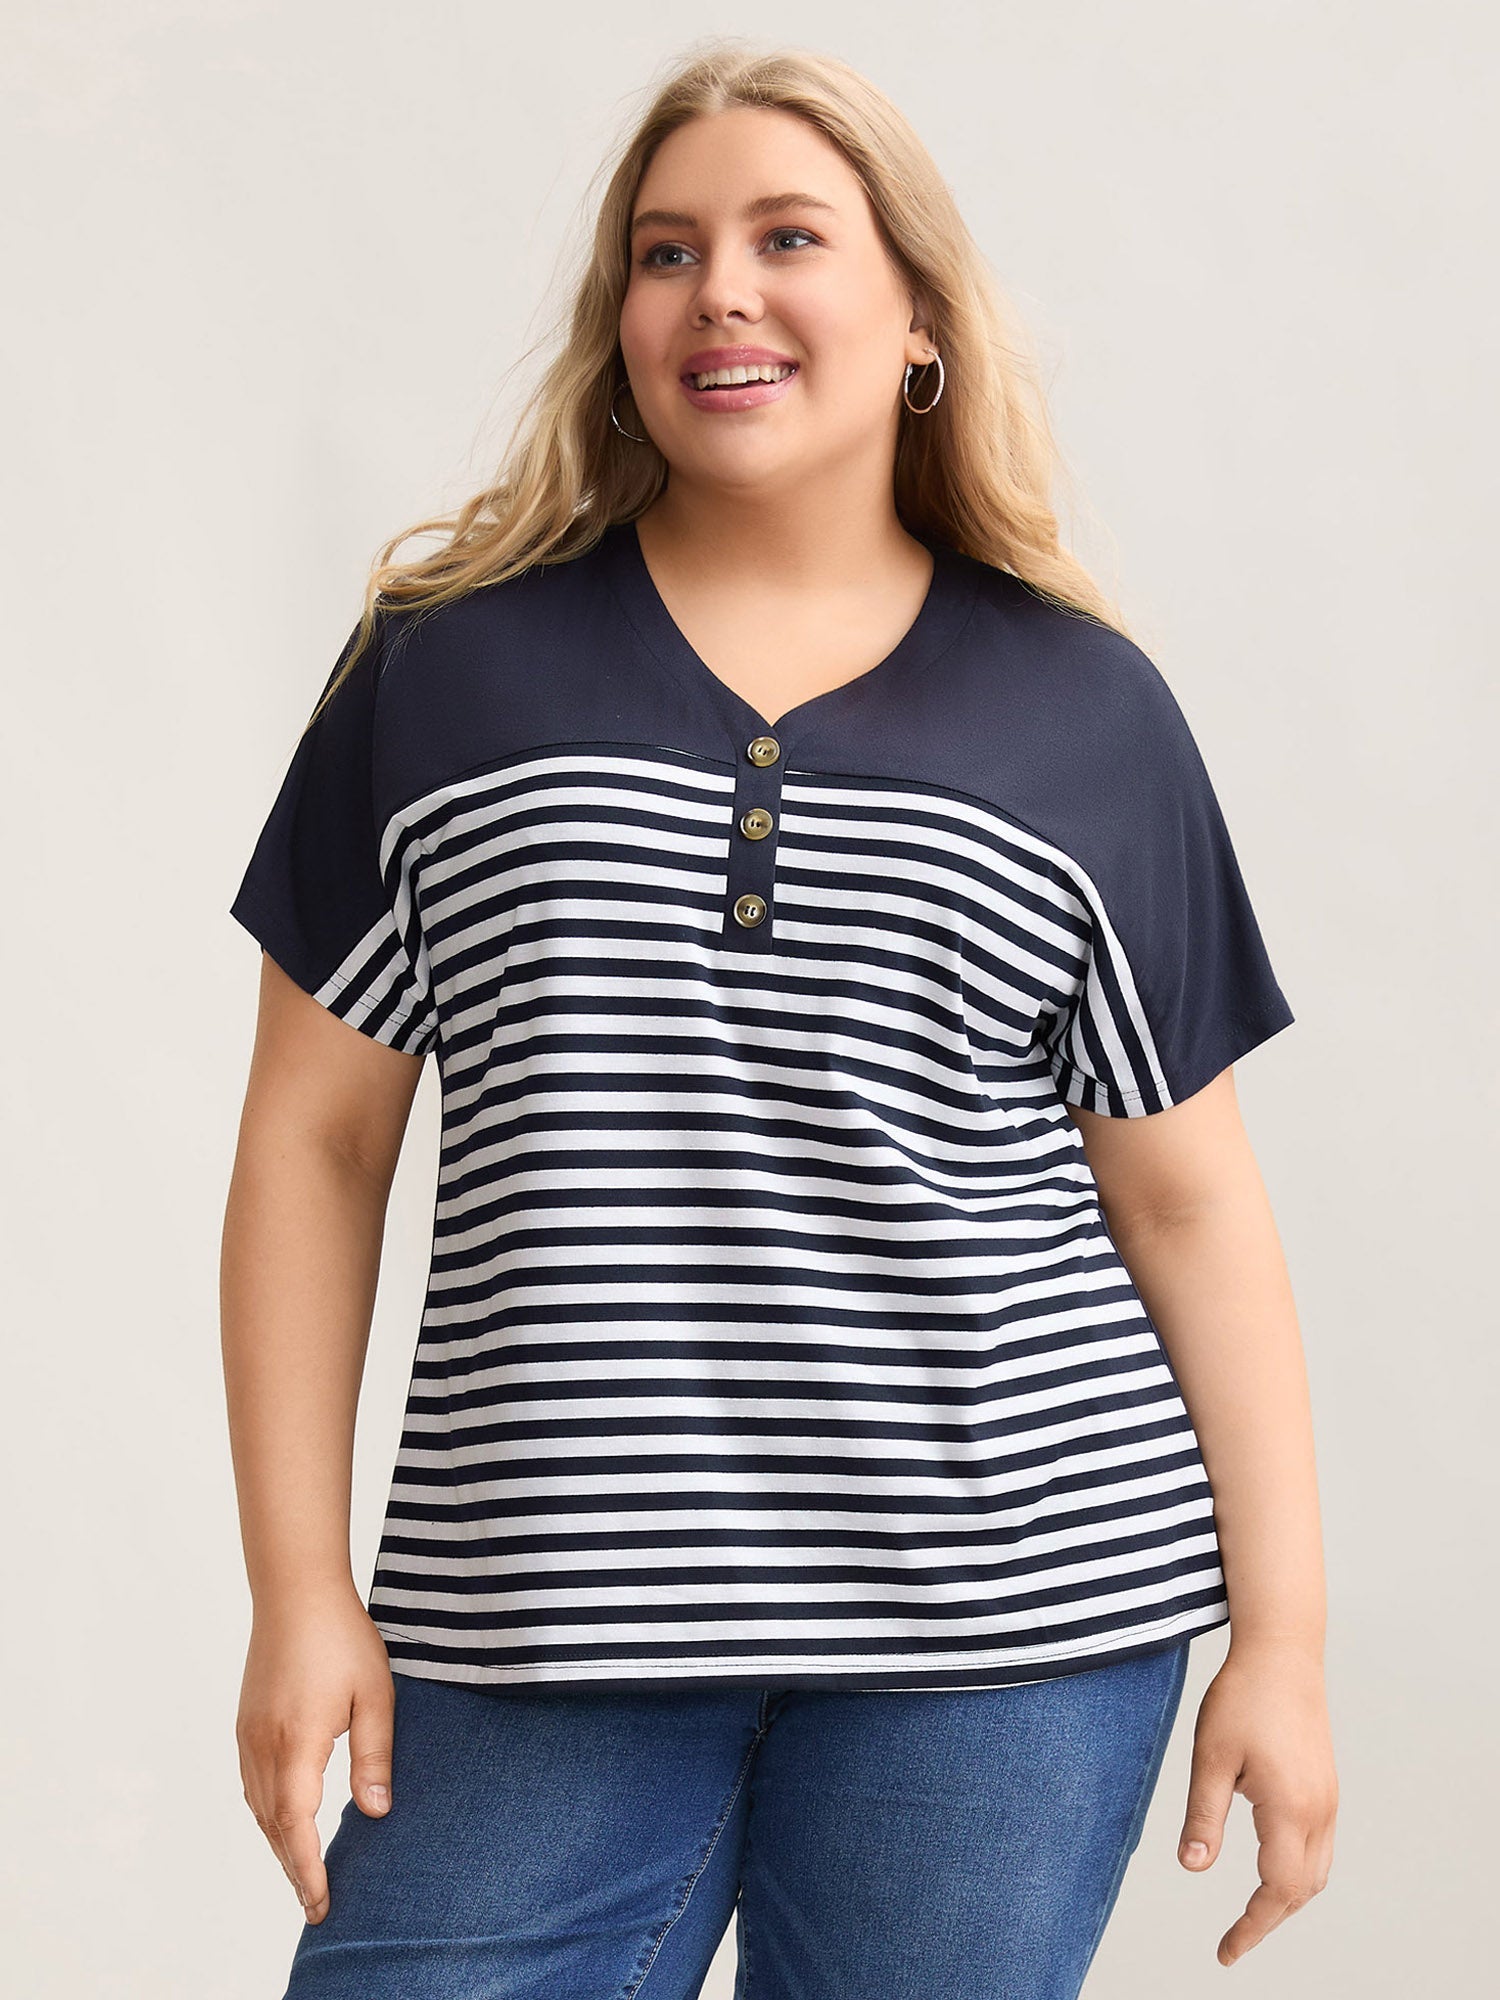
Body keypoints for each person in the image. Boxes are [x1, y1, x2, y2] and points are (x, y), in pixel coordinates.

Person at [221, 39, 1337, 2000]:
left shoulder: (1088, 712)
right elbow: (315, 1146)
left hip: (1012, 1633)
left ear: (919, 319)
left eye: (787, 239)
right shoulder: (445, 669)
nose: (718, 291)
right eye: (665, 253)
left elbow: (1188, 1199)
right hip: (537, 1618)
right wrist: (298, 1587)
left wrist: (1288, 1640)